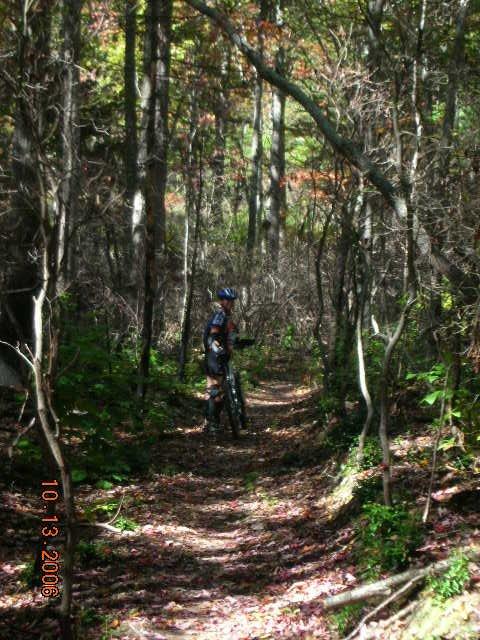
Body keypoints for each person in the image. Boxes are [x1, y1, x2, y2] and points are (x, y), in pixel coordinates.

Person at [203, 287, 238, 434]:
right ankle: (211, 424)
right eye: (228, 300)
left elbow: (231, 335)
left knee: (220, 391)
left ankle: (211, 421)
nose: (230, 303)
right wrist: (218, 348)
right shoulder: (219, 315)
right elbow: (213, 335)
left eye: (232, 301)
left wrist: (233, 344)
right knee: (215, 390)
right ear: (222, 301)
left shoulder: (228, 317)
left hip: (222, 355)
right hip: (214, 356)